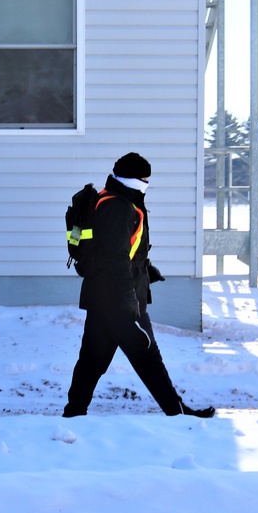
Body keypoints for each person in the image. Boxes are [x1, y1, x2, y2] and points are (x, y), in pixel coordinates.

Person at [63, 152, 215, 419]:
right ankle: (177, 412)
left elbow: (124, 251)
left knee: (92, 360)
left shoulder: (121, 201)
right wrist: (129, 302)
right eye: (144, 178)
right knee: (148, 358)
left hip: (105, 298)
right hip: (119, 302)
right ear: (133, 178)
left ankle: (74, 413)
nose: (147, 182)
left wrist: (145, 272)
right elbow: (114, 258)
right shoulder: (117, 207)